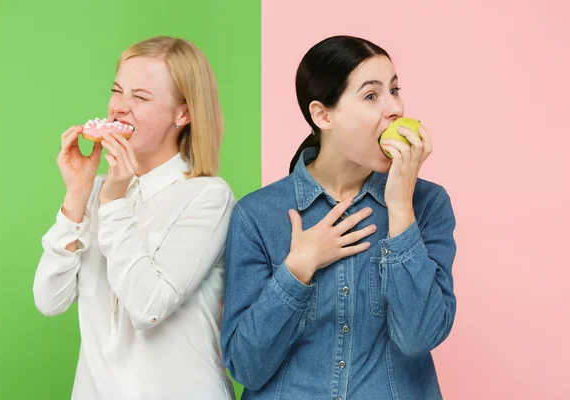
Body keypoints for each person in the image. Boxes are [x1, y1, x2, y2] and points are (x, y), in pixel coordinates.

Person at [221, 35, 457, 399]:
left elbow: (419, 337)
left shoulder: (428, 203)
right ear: (322, 114)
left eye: (395, 90)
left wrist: (400, 209)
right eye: (371, 95)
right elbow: (245, 366)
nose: (394, 108)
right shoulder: (257, 216)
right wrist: (298, 268)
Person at [33, 36, 236, 400]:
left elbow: (148, 307)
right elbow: (49, 300)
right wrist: (78, 195)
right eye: (117, 91)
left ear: (183, 114)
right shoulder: (97, 192)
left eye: (140, 97)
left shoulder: (208, 197)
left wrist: (112, 203)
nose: (119, 108)